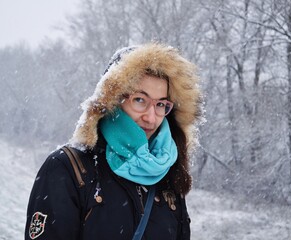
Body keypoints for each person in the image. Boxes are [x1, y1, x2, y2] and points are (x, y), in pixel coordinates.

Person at [25, 43, 202, 240]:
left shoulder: (167, 174)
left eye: (160, 104)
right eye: (139, 100)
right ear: (113, 101)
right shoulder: (69, 169)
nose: (151, 118)